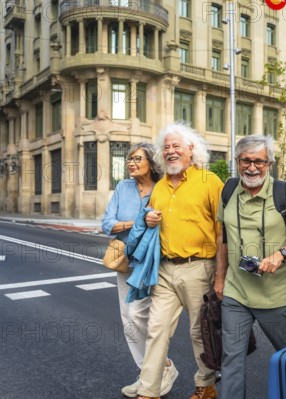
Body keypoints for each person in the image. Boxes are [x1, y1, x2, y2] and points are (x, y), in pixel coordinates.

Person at [215, 135, 286, 399]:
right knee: (231, 359)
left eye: (259, 161)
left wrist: (281, 254)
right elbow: (221, 236)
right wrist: (220, 279)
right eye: (246, 160)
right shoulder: (228, 190)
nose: (252, 167)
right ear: (237, 161)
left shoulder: (283, 192)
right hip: (236, 293)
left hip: (275, 295)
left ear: (269, 163)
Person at [136, 123, 224, 399]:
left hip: (199, 267)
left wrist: (221, 276)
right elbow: (152, 221)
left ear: (191, 150)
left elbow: (223, 231)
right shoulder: (159, 187)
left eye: (177, 146)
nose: (171, 151)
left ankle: (205, 386)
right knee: (156, 330)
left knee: (200, 332)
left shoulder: (209, 181)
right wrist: (148, 218)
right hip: (164, 269)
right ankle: (148, 390)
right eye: (167, 147)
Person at [101, 143, 177, 398]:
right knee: (131, 320)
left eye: (137, 158)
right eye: (129, 159)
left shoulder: (165, 187)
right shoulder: (123, 187)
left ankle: (155, 372)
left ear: (151, 162)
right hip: (126, 261)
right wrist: (136, 222)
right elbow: (107, 223)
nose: (131, 163)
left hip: (157, 261)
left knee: (150, 319)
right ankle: (151, 372)